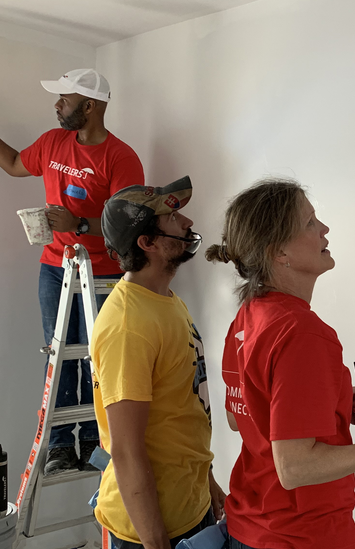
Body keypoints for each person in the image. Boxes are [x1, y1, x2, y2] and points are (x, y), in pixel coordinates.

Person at [205, 178, 355, 549]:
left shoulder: (249, 317)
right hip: (299, 535)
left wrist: (337, 399)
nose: (324, 229)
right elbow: (295, 468)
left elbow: (239, 415)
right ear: (279, 253)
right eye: (310, 222)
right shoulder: (303, 332)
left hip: (251, 526)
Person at [0, 69, 145, 474]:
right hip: (56, 269)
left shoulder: (121, 158)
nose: (57, 105)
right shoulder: (53, 142)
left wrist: (79, 224)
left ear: (88, 106)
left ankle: (94, 440)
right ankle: (59, 446)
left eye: (65, 99)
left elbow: (130, 223)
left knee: (99, 358)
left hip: (103, 274)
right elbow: (12, 163)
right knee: (58, 356)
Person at [91, 176, 225, 549]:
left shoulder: (166, 300)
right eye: (172, 218)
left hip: (190, 509)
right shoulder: (127, 325)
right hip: (151, 531)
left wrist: (207, 482)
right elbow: (126, 449)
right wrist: (155, 543)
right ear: (147, 243)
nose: (187, 223)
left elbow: (182, 407)